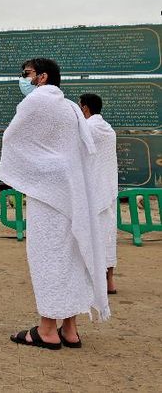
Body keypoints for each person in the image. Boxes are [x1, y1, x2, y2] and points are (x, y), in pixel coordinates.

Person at [0, 58, 110, 350]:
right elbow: (84, 150)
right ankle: (70, 329)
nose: (24, 79)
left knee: (47, 255)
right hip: (74, 192)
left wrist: (38, 169)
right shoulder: (71, 107)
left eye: (27, 74)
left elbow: (12, 139)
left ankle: (47, 329)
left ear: (43, 76)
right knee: (72, 254)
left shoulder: (37, 102)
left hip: (49, 192)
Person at [79, 93, 119, 295]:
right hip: (109, 190)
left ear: (85, 108)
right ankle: (110, 281)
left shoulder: (88, 128)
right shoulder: (109, 130)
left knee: (91, 235)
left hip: (93, 192)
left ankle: (93, 282)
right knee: (109, 235)